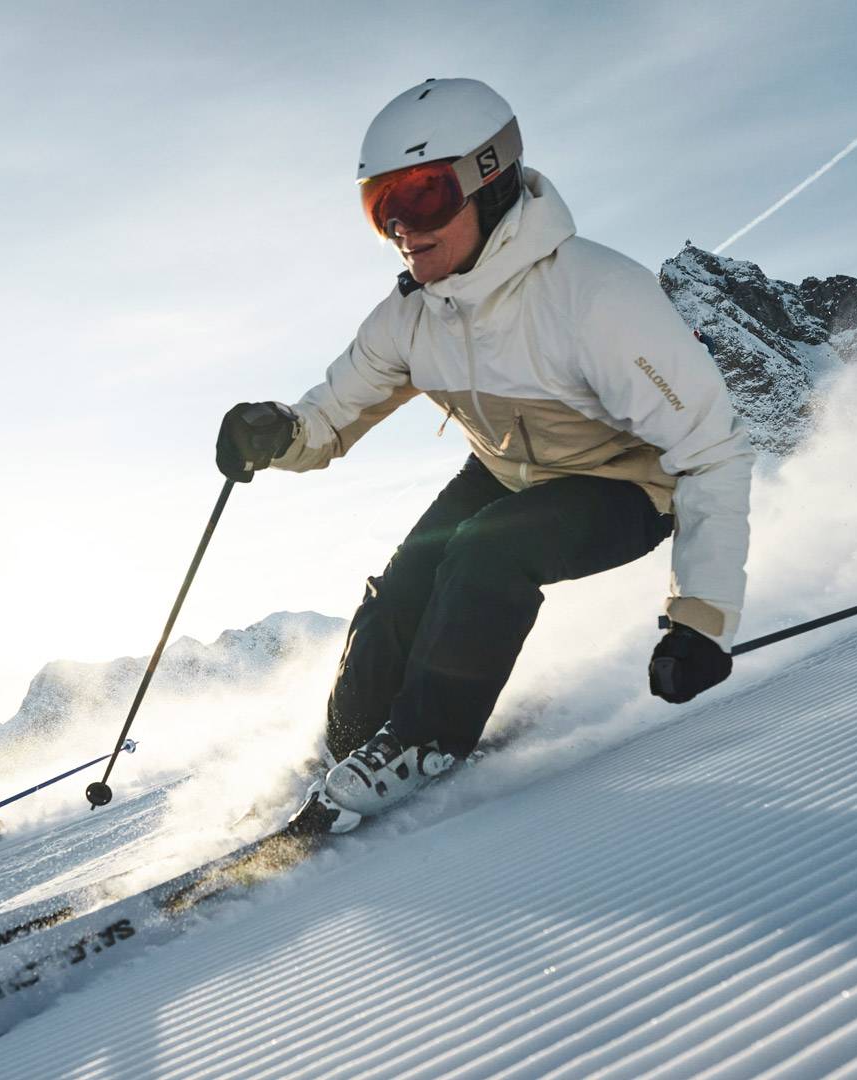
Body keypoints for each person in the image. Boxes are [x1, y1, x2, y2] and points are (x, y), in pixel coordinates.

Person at [215, 78, 753, 833]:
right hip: (501, 471)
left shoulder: (596, 297)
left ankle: (426, 742)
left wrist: (700, 618)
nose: (403, 225)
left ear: (491, 179)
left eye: (425, 195)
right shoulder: (411, 316)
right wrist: (276, 431)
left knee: (487, 551)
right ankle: (351, 745)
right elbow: (327, 420)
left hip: (625, 485)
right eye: (381, 206)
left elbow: (711, 452)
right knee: (404, 583)